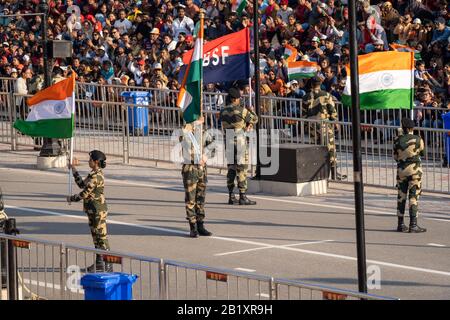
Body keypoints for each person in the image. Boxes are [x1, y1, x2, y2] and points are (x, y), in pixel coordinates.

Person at [67, 150, 113, 272]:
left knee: (101, 238)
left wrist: (72, 198)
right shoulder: (93, 174)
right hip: (92, 210)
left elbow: (84, 193)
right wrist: (73, 169)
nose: (89, 162)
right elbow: (82, 184)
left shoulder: (97, 176)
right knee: (96, 238)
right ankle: (99, 263)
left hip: (98, 211)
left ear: (96, 162)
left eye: (90, 160)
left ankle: (108, 264)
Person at [220, 87, 258, 205]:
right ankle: (242, 195)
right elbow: (255, 119)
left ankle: (231, 195)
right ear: (235, 99)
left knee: (231, 168)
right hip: (240, 142)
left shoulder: (223, 111)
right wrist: (251, 111)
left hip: (229, 140)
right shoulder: (242, 110)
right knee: (242, 168)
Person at [302, 76, 345, 180]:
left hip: (312, 126)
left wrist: (307, 126)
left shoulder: (306, 97)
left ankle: (317, 175)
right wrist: (335, 122)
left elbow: (304, 114)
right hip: (324, 126)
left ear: (311, 84)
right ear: (320, 84)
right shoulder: (326, 95)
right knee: (331, 149)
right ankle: (334, 174)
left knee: (316, 149)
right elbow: (332, 110)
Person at [180, 117, 215, 238]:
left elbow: (212, 147)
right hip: (190, 169)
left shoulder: (204, 133)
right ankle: (192, 227)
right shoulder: (185, 132)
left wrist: (206, 156)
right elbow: (184, 137)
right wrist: (195, 123)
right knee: (191, 199)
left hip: (201, 169)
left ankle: (201, 225)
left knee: (201, 198)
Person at [393, 118, 427, 233]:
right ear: (412, 128)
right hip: (414, 172)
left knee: (401, 197)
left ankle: (400, 224)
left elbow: (395, 157)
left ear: (402, 128)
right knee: (413, 197)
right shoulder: (418, 139)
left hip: (401, 172)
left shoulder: (397, 140)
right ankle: (413, 224)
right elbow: (423, 153)